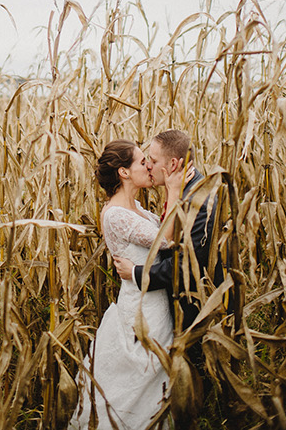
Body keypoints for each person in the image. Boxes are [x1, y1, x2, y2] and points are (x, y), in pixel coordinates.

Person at [68, 139, 187, 430]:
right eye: (142, 162)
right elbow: (165, 241)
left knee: (156, 382)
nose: (149, 166)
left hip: (156, 305)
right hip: (141, 311)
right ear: (123, 172)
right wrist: (173, 190)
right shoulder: (116, 214)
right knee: (138, 379)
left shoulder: (137, 209)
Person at [112, 129, 222, 392]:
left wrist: (136, 273)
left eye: (152, 160)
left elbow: (187, 266)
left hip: (197, 307)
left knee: (197, 378)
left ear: (173, 164)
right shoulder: (182, 190)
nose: (148, 166)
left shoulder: (199, 201)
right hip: (168, 306)